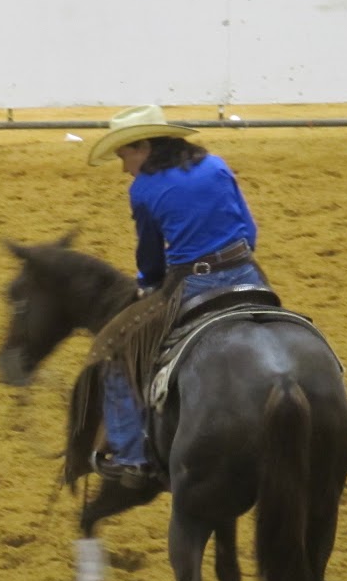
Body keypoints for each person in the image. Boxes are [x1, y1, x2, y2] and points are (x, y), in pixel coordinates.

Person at [85, 103, 271, 488]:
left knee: (113, 350)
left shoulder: (143, 189)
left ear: (144, 146)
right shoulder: (217, 166)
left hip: (192, 284)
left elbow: (150, 255)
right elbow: (249, 231)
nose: (124, 167)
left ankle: (132, 457)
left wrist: (148, 283)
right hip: (246, 271)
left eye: (124, 155)